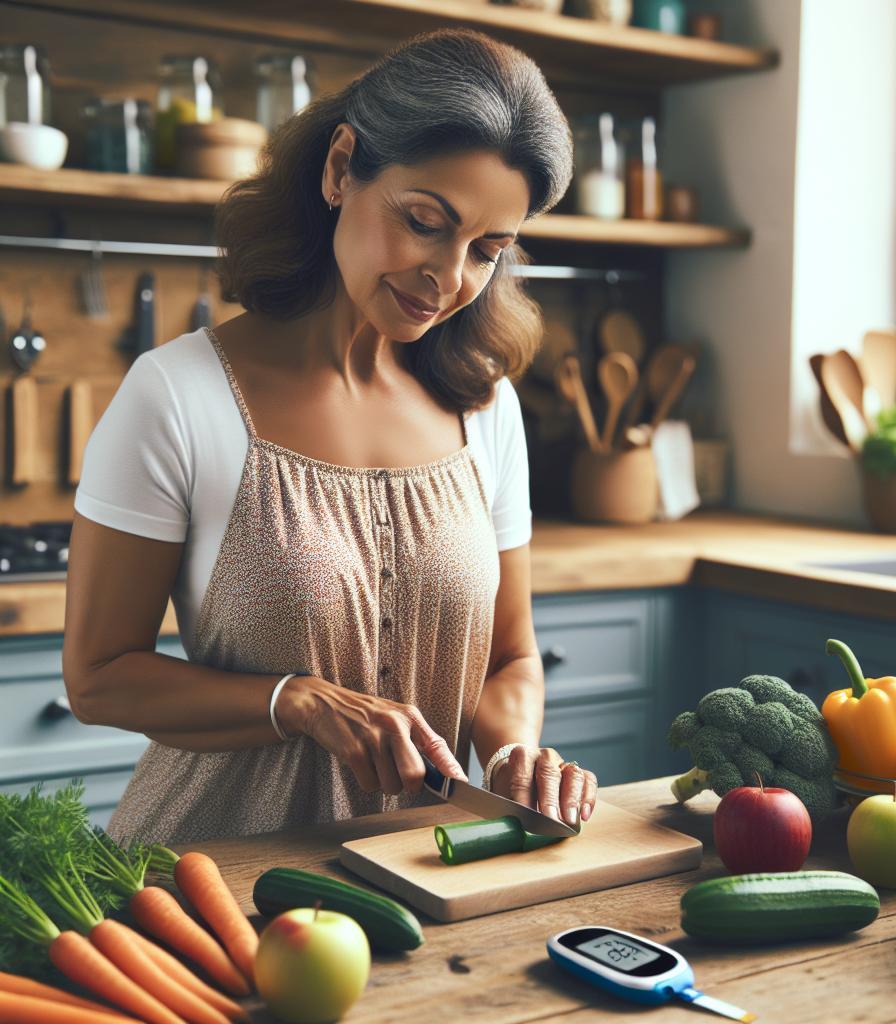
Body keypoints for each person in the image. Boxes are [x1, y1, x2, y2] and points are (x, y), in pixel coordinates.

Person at [61, 28, 599, 844]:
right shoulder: (177, 395)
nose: (449, 278)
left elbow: (509, 662)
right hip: (210, 883)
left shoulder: (486, 406)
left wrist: (516, 751)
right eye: (425, 221)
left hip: (423, 876)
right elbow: (98, 679)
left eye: (487, 250)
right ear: (342, 168)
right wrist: (296, 701)